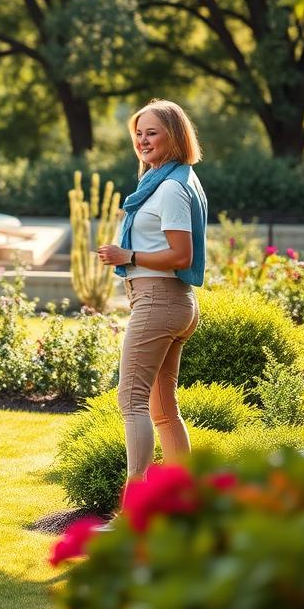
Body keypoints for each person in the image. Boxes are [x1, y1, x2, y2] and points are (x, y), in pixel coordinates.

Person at [97, 99, 207, 484]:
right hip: (170, 302)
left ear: (174, 135)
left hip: (160, 299)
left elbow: (182, 254)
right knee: (162, 410)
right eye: (138, 134)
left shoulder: (172, 188)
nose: (142, 141)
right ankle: (182, 501)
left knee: (131, 401)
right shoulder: (166, 179)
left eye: (152, 133)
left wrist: (128, 254)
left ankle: (134, 512)